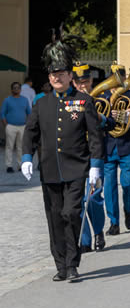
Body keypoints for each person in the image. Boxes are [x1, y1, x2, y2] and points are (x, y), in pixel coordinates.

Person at [21, 34, 103, 282]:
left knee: (71, 213)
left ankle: (73, 261)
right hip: (50, 171)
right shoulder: (41, 104)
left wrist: (95, 166)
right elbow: (30, 132)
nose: (57, 77)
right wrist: (26, 157)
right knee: (54, 218)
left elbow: (95, 137)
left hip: (77, 169)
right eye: (52, 74)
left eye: (61, 73)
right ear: (49, 78)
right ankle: (61, 265)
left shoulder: (84, 101)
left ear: (70, 76)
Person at [101, 62, 130, 235]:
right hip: (108, 146)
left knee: (128, 183)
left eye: (120, 78)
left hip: (127, 144)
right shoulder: (102, 97)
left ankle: (127, 208)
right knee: (109, 187)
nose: (116, 83)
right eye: (113, 79)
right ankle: (114, 222)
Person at [71, 62, 107, 253]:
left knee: (93, 197)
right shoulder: (71, 100)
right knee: (79, 198)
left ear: (91, 80)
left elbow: (112, 122)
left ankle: (99, 231)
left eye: (84, 81)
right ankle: (84, 240)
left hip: (95, 155)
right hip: (76, 155)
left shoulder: (102, 97)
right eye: (78, 83)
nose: (81, 86)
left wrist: (102, 118)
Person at [2, 81, 31, 172]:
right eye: (14, 88)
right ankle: (9, 165)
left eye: (18, 88)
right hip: (11, 126)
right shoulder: (7, 100)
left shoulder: (25, 100)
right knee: (9, 146)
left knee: (20, 147)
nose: (16, 89)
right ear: (11, 89)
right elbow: (2, 113)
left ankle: (20, 165)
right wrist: (6, 125)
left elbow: (29, 113)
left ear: (20, 89)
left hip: (22, 126)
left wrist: (28, 125)